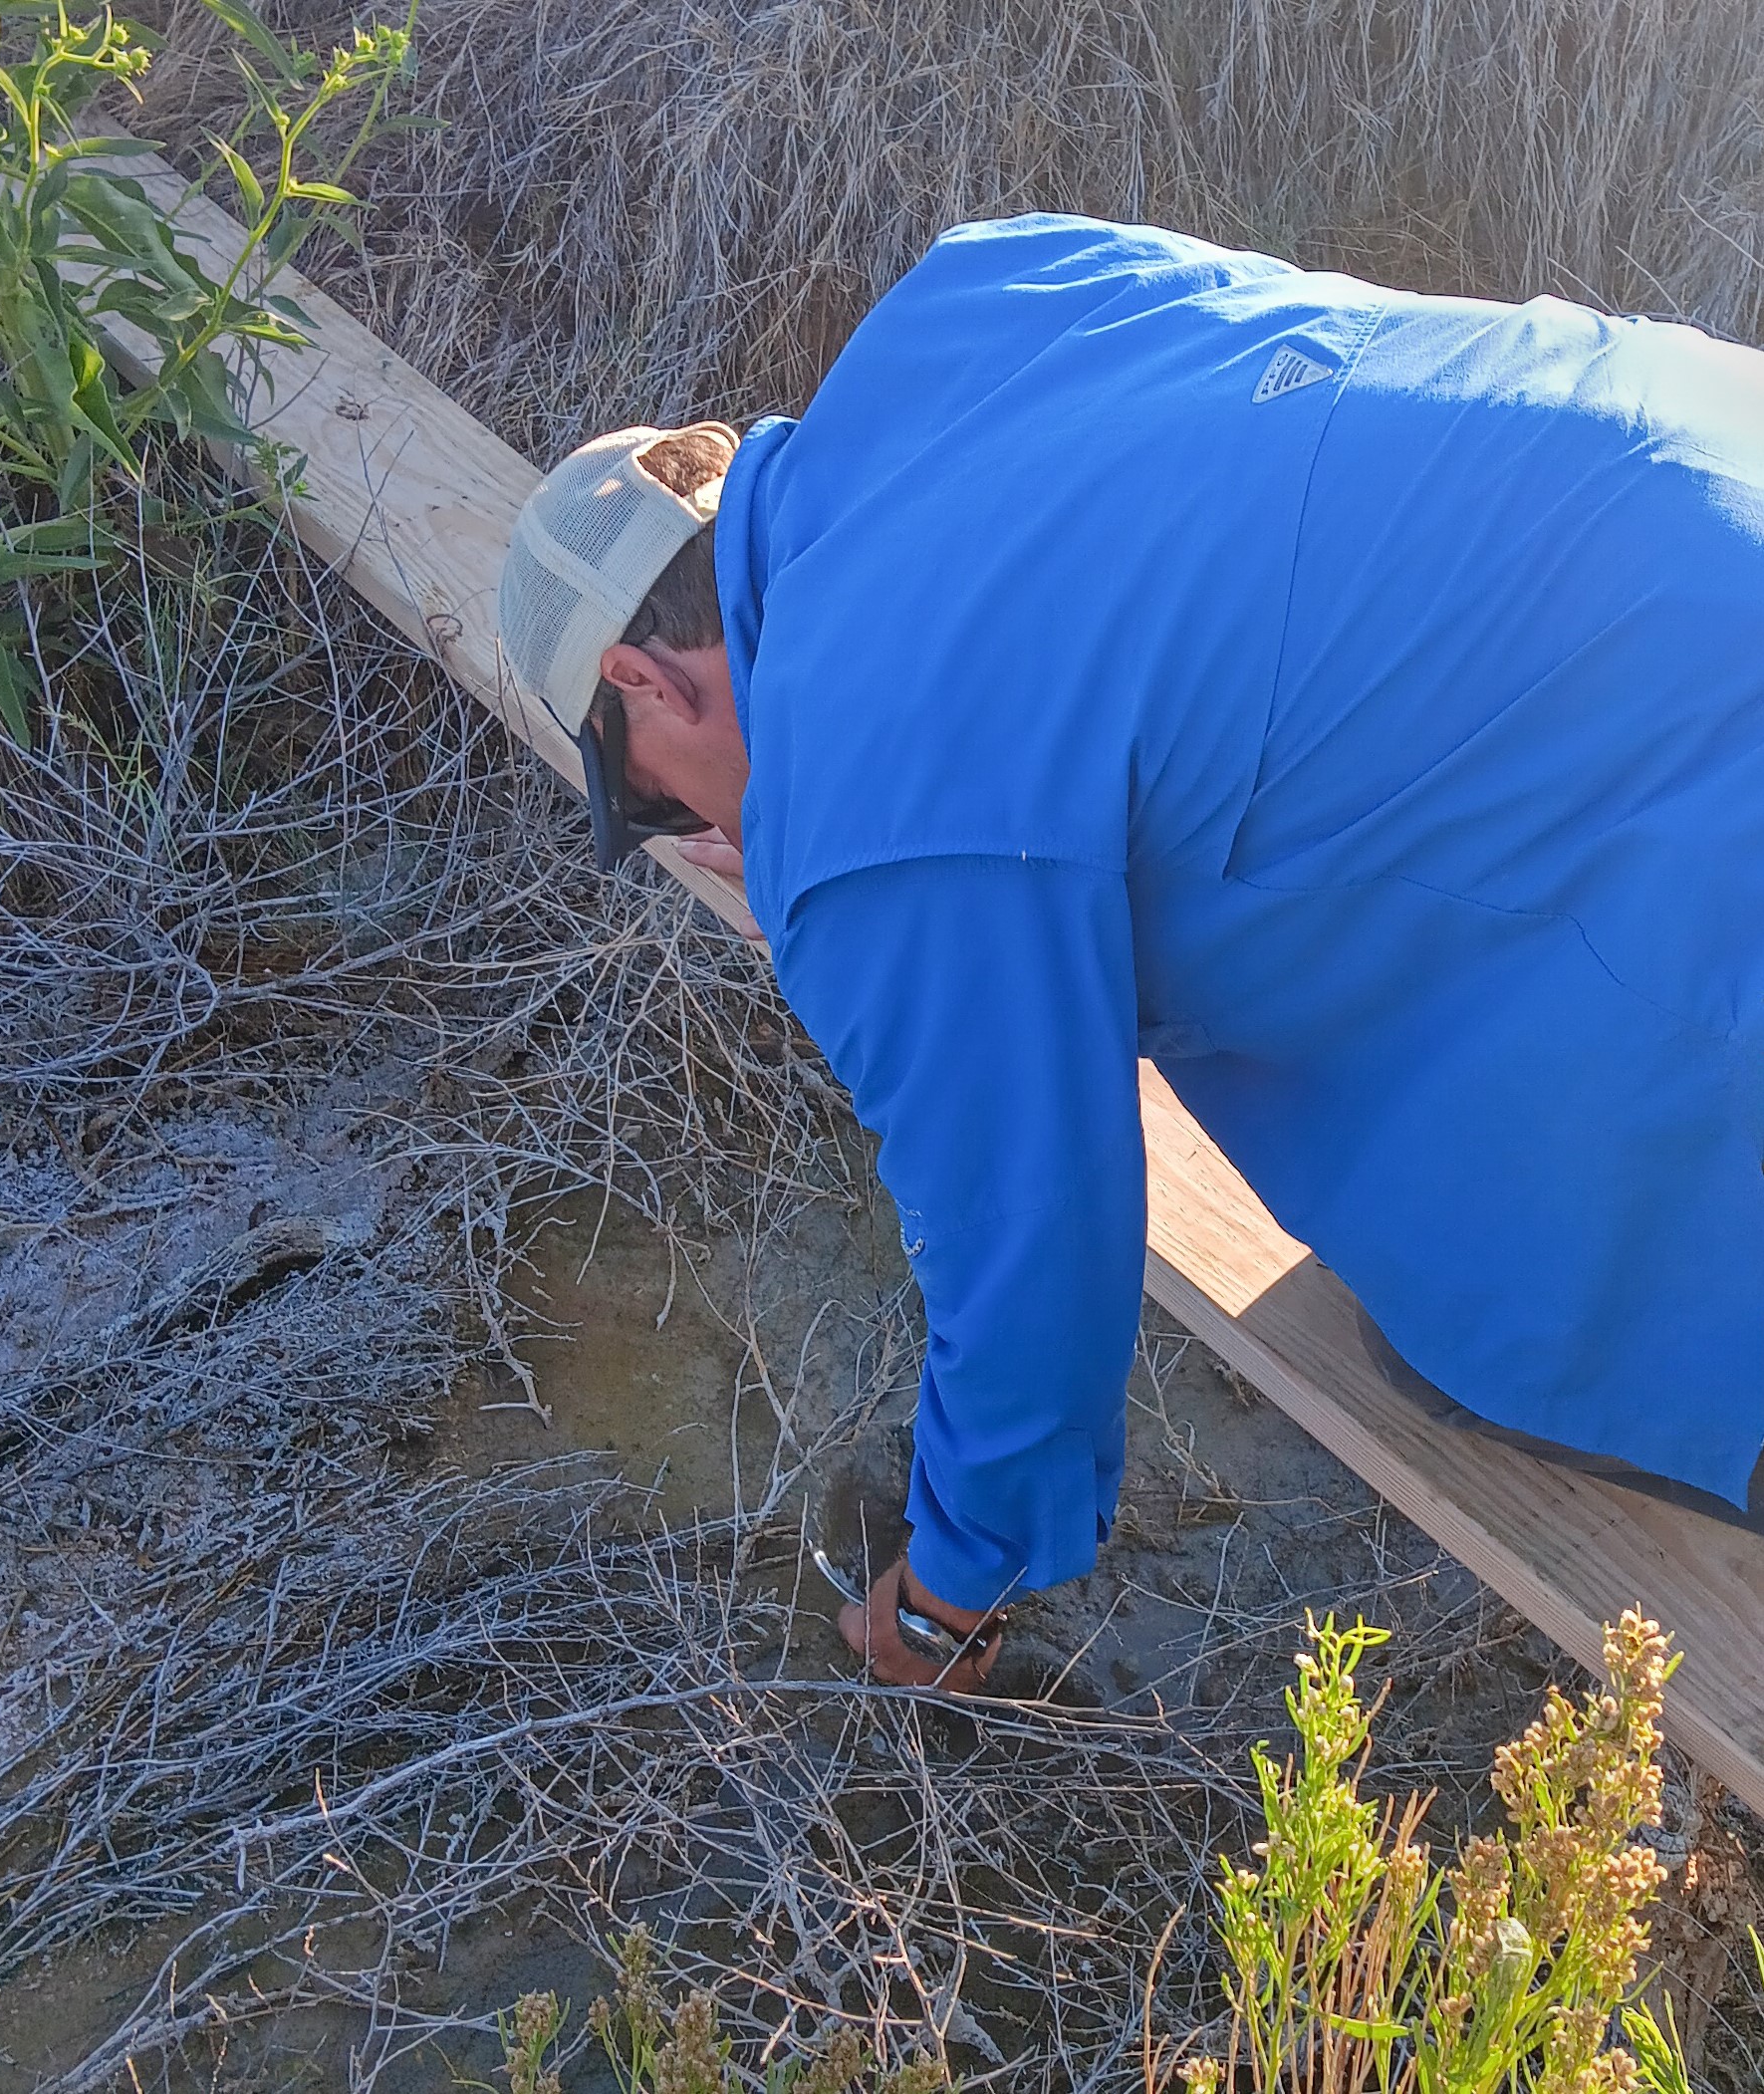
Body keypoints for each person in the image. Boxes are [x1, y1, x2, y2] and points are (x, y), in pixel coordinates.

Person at [495, 214, 1764, 1693]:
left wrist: (943, 1600)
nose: (684, 830)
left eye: (647, 799)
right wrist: (834, 850)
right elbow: (1069, 684)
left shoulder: (875, 806)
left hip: (1703, 764)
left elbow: (1030, 1255)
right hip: (1699, 448)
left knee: (1495, 1331)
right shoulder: (972, 297)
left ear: (645, 680)